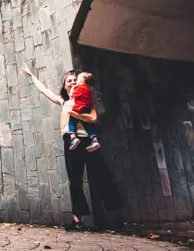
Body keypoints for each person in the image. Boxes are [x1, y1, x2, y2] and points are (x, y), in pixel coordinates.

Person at [21, 64, 123, 231]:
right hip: (71, 142)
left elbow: (93, 118)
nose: (73, 82)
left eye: (75, 80)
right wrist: (32, 76)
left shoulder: (85, 101)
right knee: (75, 181)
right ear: (65, 85)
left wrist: (75, 114)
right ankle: (78, 220)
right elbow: (45, 91)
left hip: (89, 142)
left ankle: (118, 218)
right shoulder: (64, 102)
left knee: (103, 176)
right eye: (69, 80)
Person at [67, 72, 101, 152]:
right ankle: (94, 140)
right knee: (88, 125)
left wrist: (72, 89)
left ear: (83, 81)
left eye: (77, 79)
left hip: (78, 108)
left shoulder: (79, 88)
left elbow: (72, 96)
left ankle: (73, 138)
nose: (75, 82)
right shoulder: (88, 90)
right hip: (86, 109)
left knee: (71, 122)